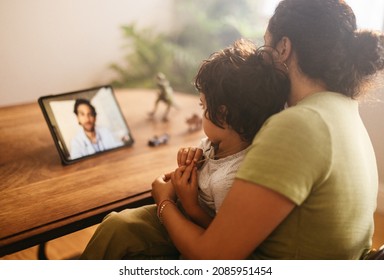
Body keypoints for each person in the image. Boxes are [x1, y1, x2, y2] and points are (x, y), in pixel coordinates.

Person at [80, 39, 290, 259]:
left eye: (202, 106)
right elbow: (205, 157)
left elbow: (220, 238)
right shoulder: (218, 143)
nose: (201, 112)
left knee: (118, 230)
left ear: (222, 115)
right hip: (181, 212)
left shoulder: (229, 180)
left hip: (194, 231)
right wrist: (189, 160)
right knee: (115, 223)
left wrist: (184, 204)